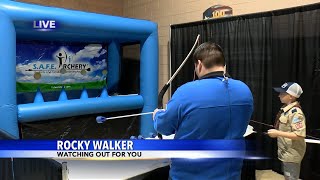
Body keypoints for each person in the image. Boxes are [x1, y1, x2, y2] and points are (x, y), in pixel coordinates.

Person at [153, 42, 254, 180]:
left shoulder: (185, 91)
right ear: (223, 64)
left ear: (199, 64)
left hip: (187, 175)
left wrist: (157, 115)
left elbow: (164, 128)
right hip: (231, 174)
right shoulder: (244, 90)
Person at [268, 82, 306, 180]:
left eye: (282, 93)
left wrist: (277, 133)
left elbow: (299, 135)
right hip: (286, 151)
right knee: (288, 176)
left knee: (291, 177)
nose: (279, 95)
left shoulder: (296, 113)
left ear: (290, 96)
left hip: (292, 153)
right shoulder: (286, 110)